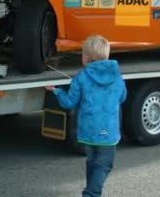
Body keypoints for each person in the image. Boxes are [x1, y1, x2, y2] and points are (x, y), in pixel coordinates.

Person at [46, 35, 127, 197]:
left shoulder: (80, 78)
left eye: (82, 54)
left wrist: (58, 91)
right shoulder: (117, 77)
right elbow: (123, 97)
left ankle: (92, 192)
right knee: (104, 165)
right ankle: (91, 194)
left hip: (87, 132)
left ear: (87, 58)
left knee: (92, 162)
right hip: (108, 133)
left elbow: (69, 103)